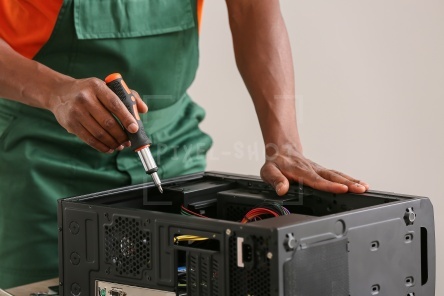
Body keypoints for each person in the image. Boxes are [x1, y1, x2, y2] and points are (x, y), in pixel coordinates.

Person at [0, 0, 369, 288]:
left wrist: (284, 144)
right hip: (37, 158)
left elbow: (253, 10)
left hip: (173, 149)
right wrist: (54, 92)